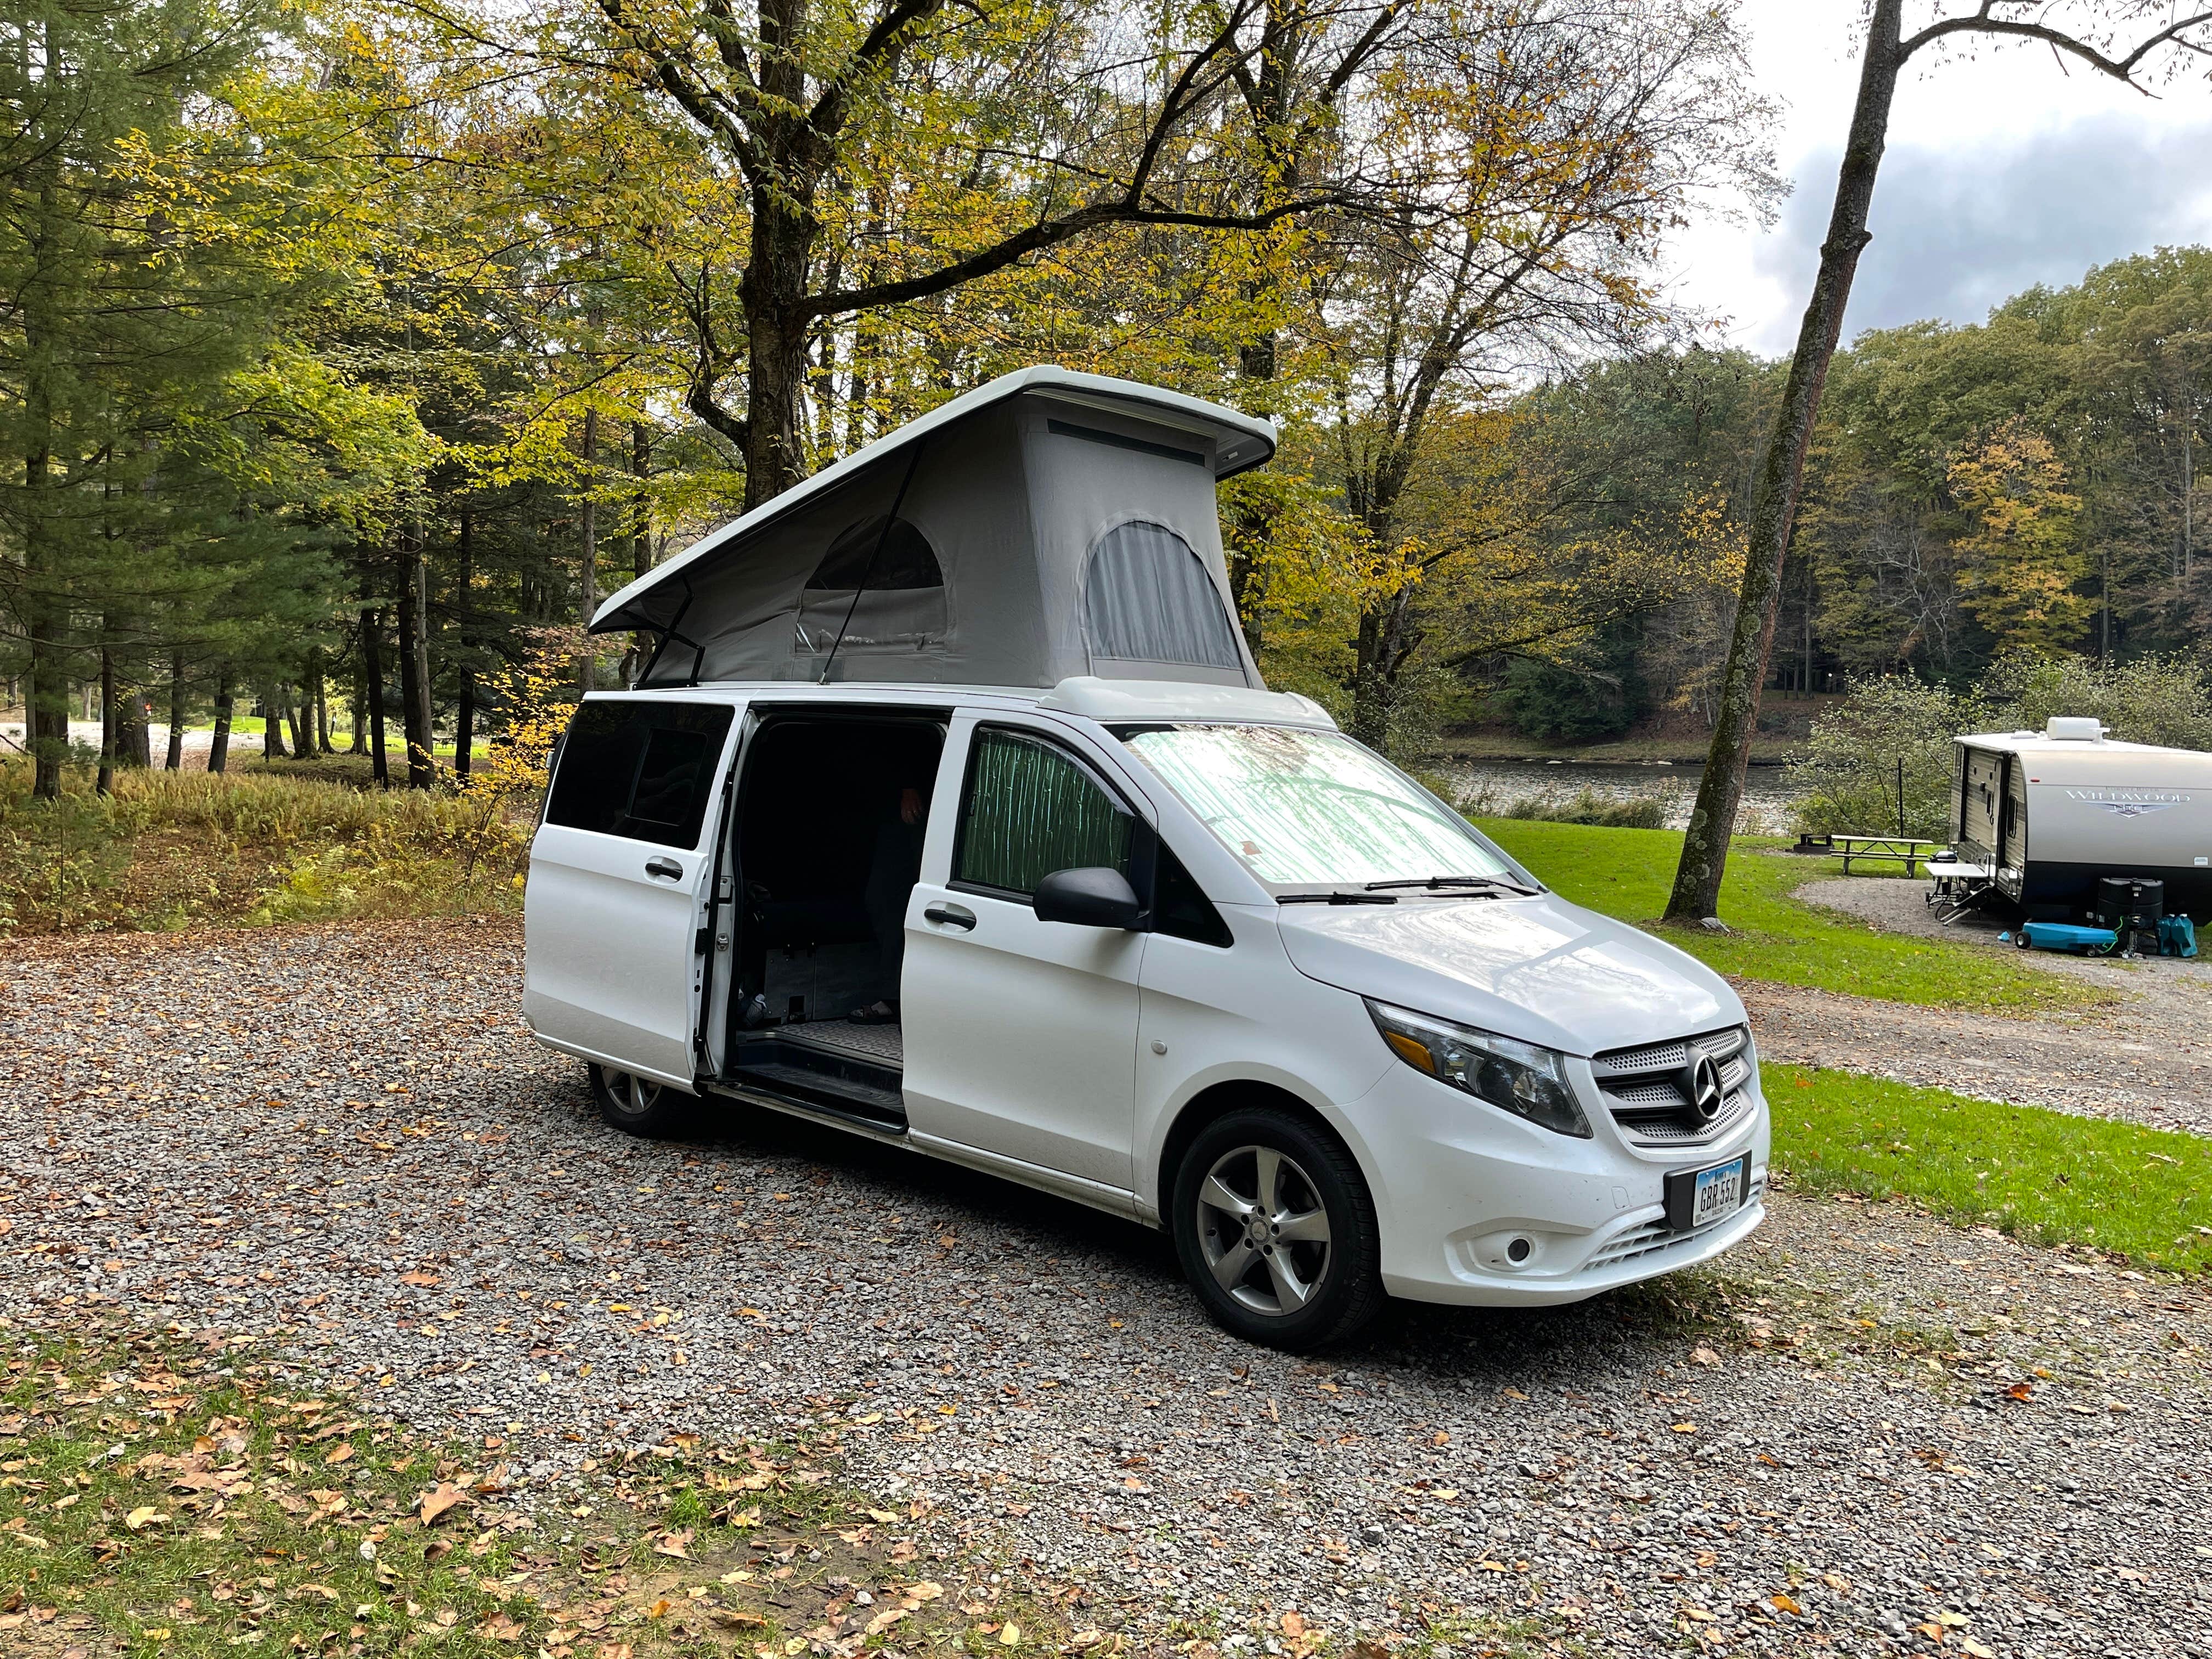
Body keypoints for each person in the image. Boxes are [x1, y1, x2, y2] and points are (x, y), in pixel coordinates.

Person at [851, 778, 927, 1024]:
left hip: (916, 801)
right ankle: (897, 995)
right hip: (884, 801)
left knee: (895, 898)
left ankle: (898, 997)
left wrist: (908, 785)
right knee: (885, 900)